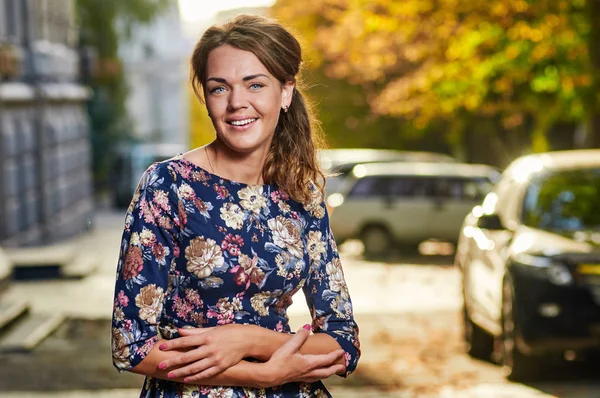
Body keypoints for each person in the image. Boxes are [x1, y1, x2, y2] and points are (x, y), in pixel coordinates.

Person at [111, 14, 360, 398]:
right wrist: (258, 375)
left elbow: (343, 346)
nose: (237, 103)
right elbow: (131, 346)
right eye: (219, 88)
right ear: (206, 98)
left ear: (286, 92)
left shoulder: (302, 192)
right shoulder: (167, 186)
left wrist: (250, 341)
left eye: (255, 84)